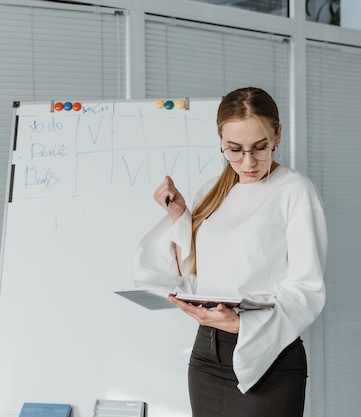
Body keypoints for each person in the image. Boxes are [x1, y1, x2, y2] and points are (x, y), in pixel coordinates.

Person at [133, 87, 327, 417]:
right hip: (207, 356)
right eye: (234, 150)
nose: (248, 162)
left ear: (277, 136)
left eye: (259, 148)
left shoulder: (294, 190)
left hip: (268, 356)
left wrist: (240, 325)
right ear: (221, 141)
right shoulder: (210, 191)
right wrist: (180, 216)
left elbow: (307, 288)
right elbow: (193, 276)